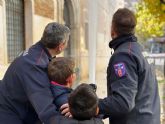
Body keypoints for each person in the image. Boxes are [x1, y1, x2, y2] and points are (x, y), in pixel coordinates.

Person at [98, 8, 160, 124]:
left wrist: (91, 107)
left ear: (113, 29)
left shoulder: (123, 56)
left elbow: (123, 102)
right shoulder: (139, 50)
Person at [0, 22, 70, 124]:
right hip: (11, 114)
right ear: (60, 46)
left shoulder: (38, 51)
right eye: (66, 43)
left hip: (20, 108)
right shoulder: (36, 65)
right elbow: (46, 111)